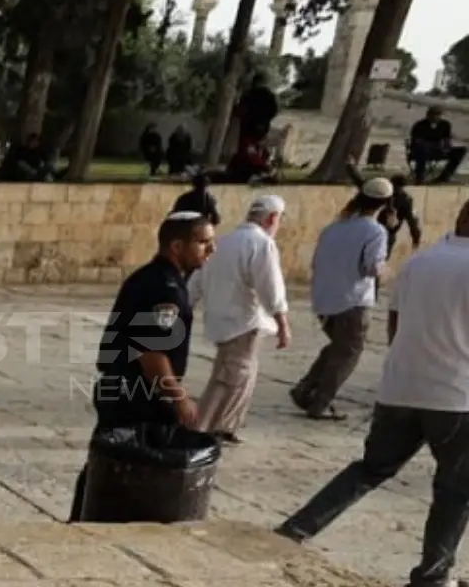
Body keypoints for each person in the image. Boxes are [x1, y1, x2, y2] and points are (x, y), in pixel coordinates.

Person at [276, 188, 469, 587]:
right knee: (456, 490)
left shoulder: (419, 263)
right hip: (464, 397)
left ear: (465, 212)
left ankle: (297, 528)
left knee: (370, 469)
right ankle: (433, 575)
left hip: (402, 389)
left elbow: (395, 327)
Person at [73, 213, 216, 520]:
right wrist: (179, 398)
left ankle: (85, 517)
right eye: (203, 242)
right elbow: (150, 352)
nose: (210, 249)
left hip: (122, 388)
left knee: (108, 461)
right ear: (177, 246)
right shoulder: (166, 289)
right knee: (126, 465)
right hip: (138, 395)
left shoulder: (148, 277)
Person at [188, 194, 291, 444]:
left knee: (241, 375)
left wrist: (187, 304)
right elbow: (270, 286)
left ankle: (226, 424)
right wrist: (283, 324)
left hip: (223, 320)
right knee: (230, 377)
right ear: (272, 218)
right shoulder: (260, 243)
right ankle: (200, 427)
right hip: (243, 321)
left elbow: (197, 279)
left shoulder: (223, 241)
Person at [293, 180, 394, 422]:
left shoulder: (334, 228)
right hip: (353, 300)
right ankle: (321, 402)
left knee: (339, 346)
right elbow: (371, 267)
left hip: (325, 299)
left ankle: (306, 388)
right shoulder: (376, 231)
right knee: (349, 352)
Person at [408, 107, 468, 183]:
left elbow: (447, 139)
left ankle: (445, 176)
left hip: (438, 151)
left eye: (438, 115)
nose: (436, 117)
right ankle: (419, 177)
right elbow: (416, 142)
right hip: (421, 152)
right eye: (433, 114)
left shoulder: (445, 125)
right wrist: (432, 145)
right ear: (428, 115)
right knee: (422, 149)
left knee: (461, 150)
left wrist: (446, 147)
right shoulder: (419, 125)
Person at [236, 73, 280, 145]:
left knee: (246, 146)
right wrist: (265, 120)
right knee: (257, 146)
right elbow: (274, 111)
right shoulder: (270, 95)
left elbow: (241, 110)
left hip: (248, 127)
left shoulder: (248, 94)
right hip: (262, 127)